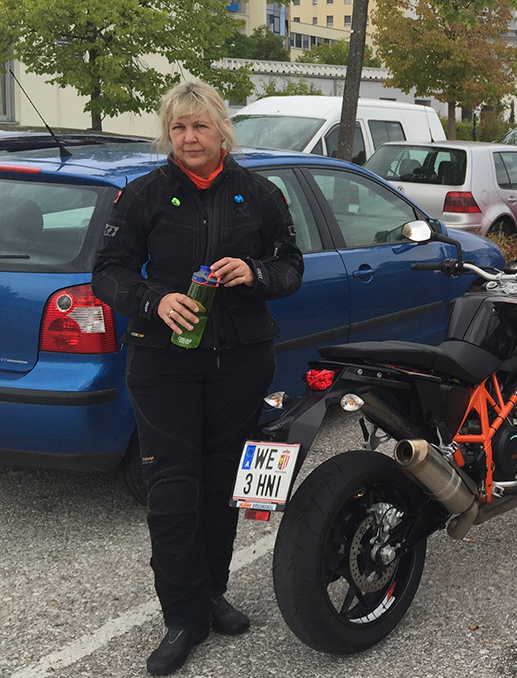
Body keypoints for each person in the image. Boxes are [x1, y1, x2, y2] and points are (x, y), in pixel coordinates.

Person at [92, 79, 304, 675]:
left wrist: (256, 273)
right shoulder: (143, 194)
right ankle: (182, 616)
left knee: (221, 482)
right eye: (178, 127)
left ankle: (212, 593)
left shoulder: (261, 194)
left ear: (221, 131)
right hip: (163, 360)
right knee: (173, 488)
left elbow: (291, 267)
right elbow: (107, 272)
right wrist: (153, 299)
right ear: (169, 133)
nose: (189, 138)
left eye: (200, 126)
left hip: (240, 358)